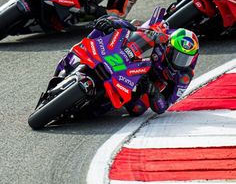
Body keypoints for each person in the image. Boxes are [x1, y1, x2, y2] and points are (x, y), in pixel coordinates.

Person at [52, 10, 199, 118]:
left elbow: (163, 107)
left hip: (147, 81)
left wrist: (153, 92)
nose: (179, 61)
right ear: (169, 47)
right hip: (133, 58)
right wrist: (114, 23)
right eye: (177, 56)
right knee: (106, 22)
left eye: (185, 59)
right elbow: (136, 29)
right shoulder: (163, 36)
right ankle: (79, 54)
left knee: (137, 109)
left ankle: (103, 101)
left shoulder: (184, 76)